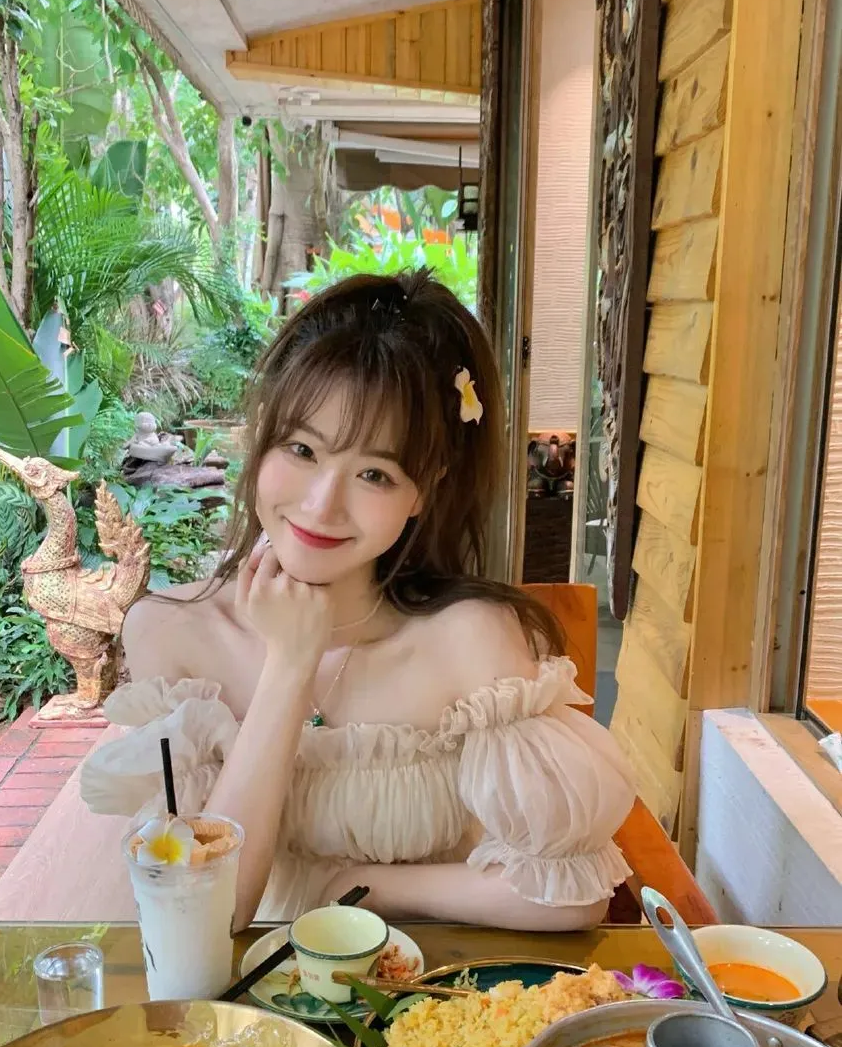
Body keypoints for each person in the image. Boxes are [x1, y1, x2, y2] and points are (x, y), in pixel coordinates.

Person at [81, 270, 635, 931]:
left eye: (375, 473)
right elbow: (203, 919)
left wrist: (360, 886)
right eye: (302, 449)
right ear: (260, 440)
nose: (322, 505)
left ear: (424, 490)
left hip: (425, 983)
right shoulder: (172, 634)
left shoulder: (470, 641)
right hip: (243, 991)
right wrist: (290, 666)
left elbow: (570, 896)